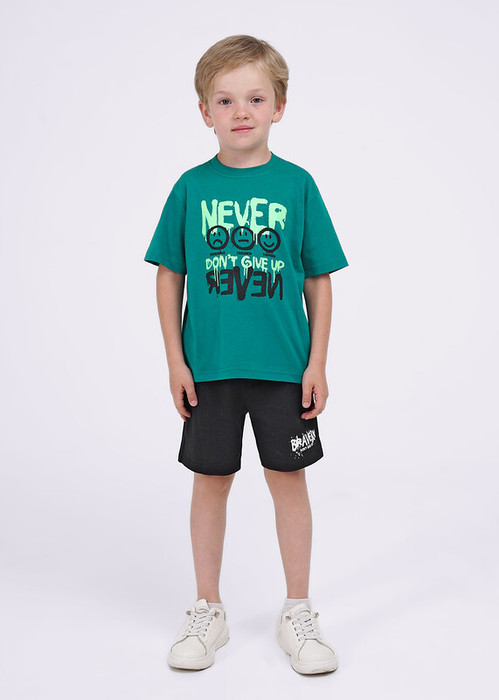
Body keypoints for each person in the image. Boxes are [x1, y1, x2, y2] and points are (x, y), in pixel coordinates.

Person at [144, 34, 348, 675]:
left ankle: (298, 611)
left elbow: (319, 278)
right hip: (210, 370)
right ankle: (208, 608)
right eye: (225, 100)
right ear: (205, 110)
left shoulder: (297, 185)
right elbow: (169, 276)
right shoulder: (190, 188)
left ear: (278, 106)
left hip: (284, 369)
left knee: (289, 480)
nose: (241, 112)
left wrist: (317, 363)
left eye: (255, 99)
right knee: (211, 481)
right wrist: (176, 361)